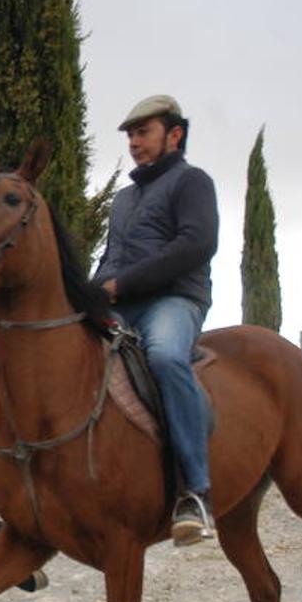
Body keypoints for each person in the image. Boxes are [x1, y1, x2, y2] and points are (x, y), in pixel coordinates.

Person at [92, 94, 219, 546]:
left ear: (175, 134)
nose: (134, 143)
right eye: (130, 135)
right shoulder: (124, 200)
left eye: (143, 132)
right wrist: (88, 294)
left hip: (174, 300)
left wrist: (120, 285)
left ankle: (195, 492)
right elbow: (111, 259)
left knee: (164, 357)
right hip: (118, 302)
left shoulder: (193, 182)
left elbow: (196, 245)